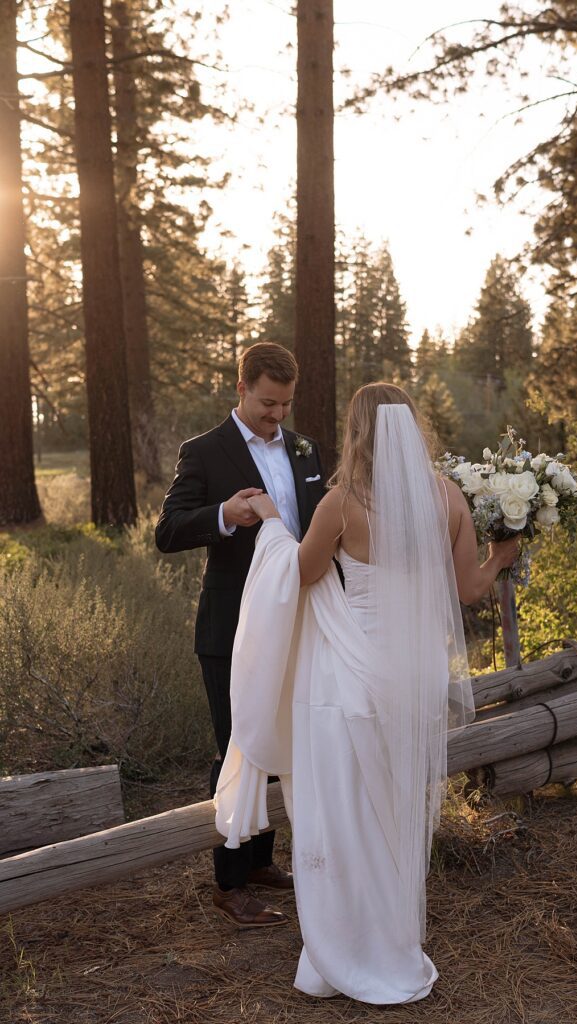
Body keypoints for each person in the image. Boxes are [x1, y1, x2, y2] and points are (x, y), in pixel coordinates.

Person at [214, 382, 519, 1002]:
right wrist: (499, 556)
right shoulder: (447, 497)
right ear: (411, 430)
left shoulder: (342, 505)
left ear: (356, 433)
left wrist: (272, 520)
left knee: (345, 815)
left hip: (352, 676)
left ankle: (349, 947)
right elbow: (467, 591)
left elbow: (297, 577)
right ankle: (391, 940)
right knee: (397, 810)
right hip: (418, 676)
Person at [155, 342, 326, 929]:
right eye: (267, 403)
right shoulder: (203, 452)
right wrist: (224, 513)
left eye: (285, 405)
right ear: (241, 388)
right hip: (231, 628)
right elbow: (169, 530)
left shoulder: (307, 450)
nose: (277, 416)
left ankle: (259, 862)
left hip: (296, 623)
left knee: (280, 741)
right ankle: (228, 883)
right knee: (238, 745)